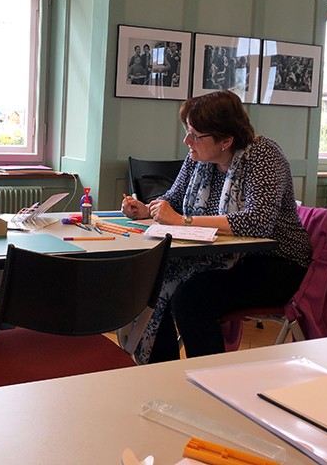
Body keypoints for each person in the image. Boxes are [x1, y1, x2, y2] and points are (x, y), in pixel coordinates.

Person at [122, 90, 312, 362]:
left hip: (275, 262)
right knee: (150, 285)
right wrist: (146, 209)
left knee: (190, 300)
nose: (187, 141)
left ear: (226, 140)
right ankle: (162, 371)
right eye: (187, 131)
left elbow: (257, 222)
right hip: (218, 255)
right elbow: (172, 199)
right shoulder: (197, 158)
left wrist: (182, 221)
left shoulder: (264, 155)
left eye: (195, 135)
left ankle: (210, 377)